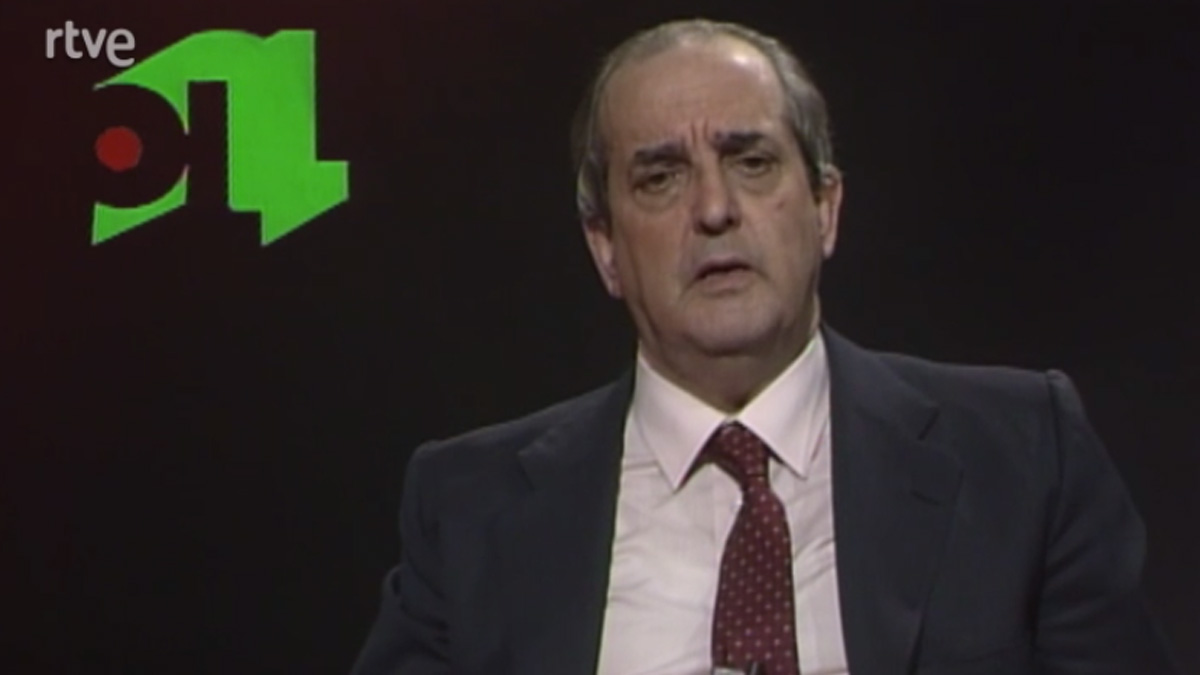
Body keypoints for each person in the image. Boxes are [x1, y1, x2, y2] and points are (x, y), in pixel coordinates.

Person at [350, 18, 1179, 675]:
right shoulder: (470, 508)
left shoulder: (1022, 455)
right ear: (605, 247)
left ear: (825, 208)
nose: (714, 209)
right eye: (661, 177)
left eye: (751, 162)